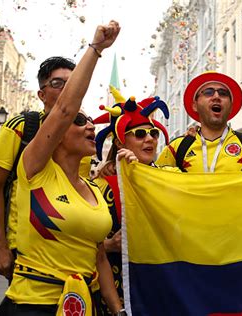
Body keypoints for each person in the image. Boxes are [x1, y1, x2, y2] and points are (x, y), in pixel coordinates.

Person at [0, 21, 123, 315]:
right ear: (57, 131)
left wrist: (118, 311)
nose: (90, 125)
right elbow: (65, 108)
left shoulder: (92, 188)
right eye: (78, 121)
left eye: (90, 120)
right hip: (33, 304)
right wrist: (96, 49)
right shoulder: (35, 169)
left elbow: (98, 256)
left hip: (85, 306)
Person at [0, 56, 77, 281]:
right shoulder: (22, 126)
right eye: (57, 83)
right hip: (27, 250)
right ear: (42, 94)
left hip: (72, 248)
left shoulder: (83, 130)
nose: (66, 89)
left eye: (72, 82)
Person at [92, 94, 171, 315]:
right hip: (115, 287)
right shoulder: (99, 186)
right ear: (119, 142)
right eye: (139, 134)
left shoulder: (168, 177)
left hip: (158, 284)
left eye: (153, 133)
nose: (150, 139)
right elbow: (78, 241)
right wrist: (108, 245)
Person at [156, 72, 242, 171]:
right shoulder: (177, 148)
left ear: (230, 106)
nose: (216, 96)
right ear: (195, 105)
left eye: (223, 93)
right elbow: (150, 181)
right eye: (208, 92)